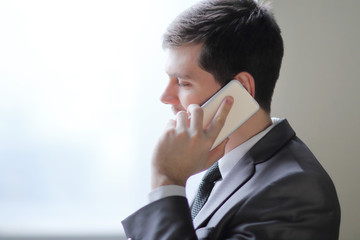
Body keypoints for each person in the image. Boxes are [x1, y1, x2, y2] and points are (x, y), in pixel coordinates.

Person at [122, 0, 341, 239]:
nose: (165, 97)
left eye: (183, 82)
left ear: (241, 90)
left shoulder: (297, 192)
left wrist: (166, 182)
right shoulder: (209, 166)